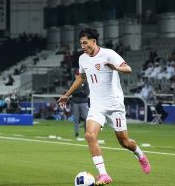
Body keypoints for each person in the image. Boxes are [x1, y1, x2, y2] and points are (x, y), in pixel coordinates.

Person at [57, 28, 151, 185]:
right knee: (89, 135)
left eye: (85, 43)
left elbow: (128, 69)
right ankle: (103, 175)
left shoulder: (109, 54)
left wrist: (116, 68)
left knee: (124, 142)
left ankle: (140, 155)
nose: (82, 46)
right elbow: (81, 78)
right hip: (96, 105)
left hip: (115, 105)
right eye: (81, 43)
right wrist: (67, 94)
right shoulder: (82, 59)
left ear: (94, 41)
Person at [70, 74, 89, 141]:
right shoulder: (73, 83)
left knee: (86, 118)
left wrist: (77, 93)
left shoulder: (85, 83)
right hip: (76, 103)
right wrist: (81, 92)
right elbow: (72, 92)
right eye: (77, 74)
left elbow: (86, 93)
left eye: (79, 74)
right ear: (75, 75)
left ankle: (87, 133)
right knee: (76, 119)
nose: (78, 76)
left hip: (83, 102)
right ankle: (76, 133)